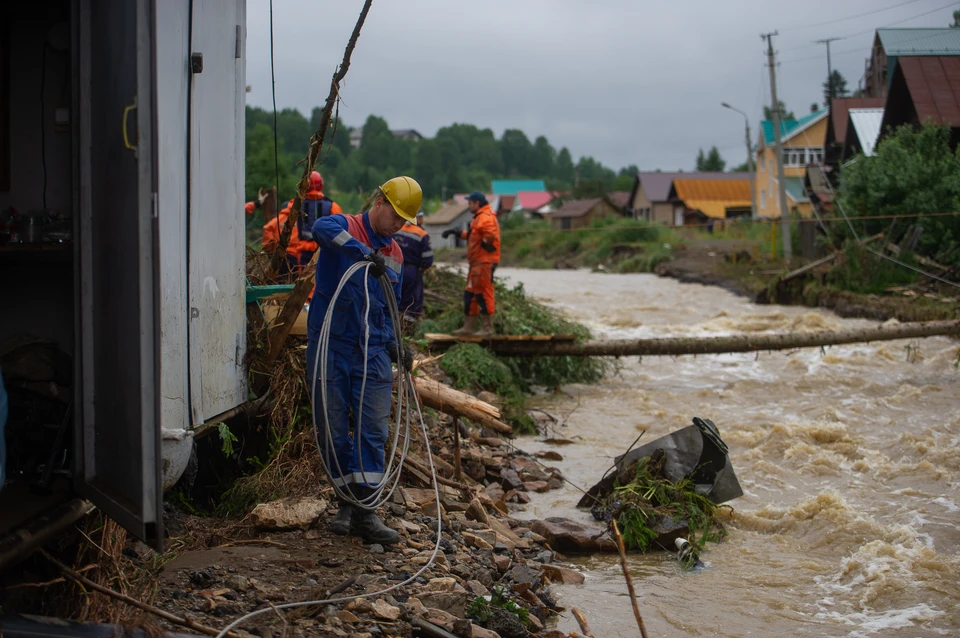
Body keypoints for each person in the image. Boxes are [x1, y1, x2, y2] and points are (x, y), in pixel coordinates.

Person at [305, 176, 421, 545]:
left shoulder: (396, 256)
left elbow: (389, 307)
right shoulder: (344, 226)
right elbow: (319, 228)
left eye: (405, 221)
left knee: (373, 431)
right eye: (396, 217)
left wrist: (395, 345)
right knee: (333, 428)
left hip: (371, 352)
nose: (398, 226)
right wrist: (360, 252)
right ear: (379, 201)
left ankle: (366, 512)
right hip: (331, 345)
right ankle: (346, 503)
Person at [442, 191, 500, 337]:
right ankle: (469, 327)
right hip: (476, 263)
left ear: (477, 203)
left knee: (483, 293)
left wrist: (486, 245)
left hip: (484, 262)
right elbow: (473, 236)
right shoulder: (479, 218)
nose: (468, 206)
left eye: (470, 203)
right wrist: (456, 233)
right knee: (471, 294)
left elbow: (490, 235)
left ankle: (487, 328)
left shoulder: (485, 217)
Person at [392, 211, 434, 320]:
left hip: (393, 268)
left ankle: (393, 325)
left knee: (393, 297)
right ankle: (407, 329)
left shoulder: (396, 228)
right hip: (412, 271)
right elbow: (428, 258)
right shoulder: (421, 233)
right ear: (418, 219)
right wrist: (422, 269)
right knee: (412, 302)